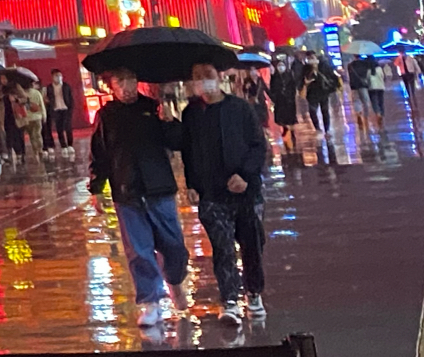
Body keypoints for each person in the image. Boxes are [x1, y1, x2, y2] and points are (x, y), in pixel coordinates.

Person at [86, 68, 188, 330]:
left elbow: (177, 143)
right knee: (139, 251)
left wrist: (169, 122)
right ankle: (151, 302)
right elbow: (100, 155)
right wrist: (97, 188)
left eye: (130, 79)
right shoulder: (106, 116)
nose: (126, 86)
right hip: (127, 192)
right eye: (119, 81)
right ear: (111, 86)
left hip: (159, 189)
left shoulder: (153, 109)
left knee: (173, 246)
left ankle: (175, 280)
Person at [181, 63, 270, 322]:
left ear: (219, 77)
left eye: (208, 76)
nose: (204, 82)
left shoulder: (240, 108)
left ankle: (253, 292)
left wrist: (245, 175)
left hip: (245, 193)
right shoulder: (191, 114)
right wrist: (192, 184)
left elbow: (257, 145)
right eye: (198, 78)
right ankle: (230, 299)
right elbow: (187, 152)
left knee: (252, 244)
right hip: (212, 195)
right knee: (223, 247)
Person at [268, 58, 303, 160]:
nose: (280, 67)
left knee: (290, 116)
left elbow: (293, 87)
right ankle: (285, 128)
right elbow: (272, 88)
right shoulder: (274, 77)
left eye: (282, 65)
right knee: (281, 116)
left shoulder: (289, 76)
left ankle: (291, 132)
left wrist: (290, 95)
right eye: (279, 66)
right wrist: (275, 97)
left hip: (289, 100)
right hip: (280, 100)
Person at [45, 67, 74, 150]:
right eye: (56, 76)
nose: (58, 77)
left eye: (59, 75)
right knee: (59, 128)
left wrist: (70, 108)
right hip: (56, 109)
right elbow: (48, 98)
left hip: (65, 108)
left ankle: (70, 145)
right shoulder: (49, 87)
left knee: (68, 127)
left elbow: (70, 98)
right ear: (52, 77)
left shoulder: (66, 86)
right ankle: (63, 145)